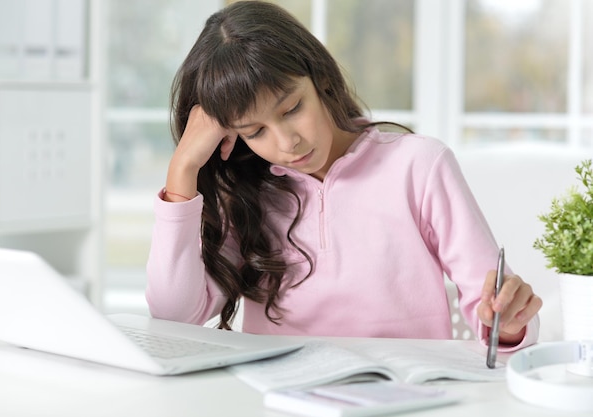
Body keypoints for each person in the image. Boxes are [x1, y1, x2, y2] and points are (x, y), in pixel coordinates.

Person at [146, 1, 542, 349]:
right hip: (278, 400)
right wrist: (184, 169)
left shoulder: (419, 166)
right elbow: (174, 318)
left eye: (291, 108)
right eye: (255, 131)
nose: (288, 141)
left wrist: (506, 323)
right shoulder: (249, 194)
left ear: (318, 77)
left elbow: (494, 305)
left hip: (405, 397)